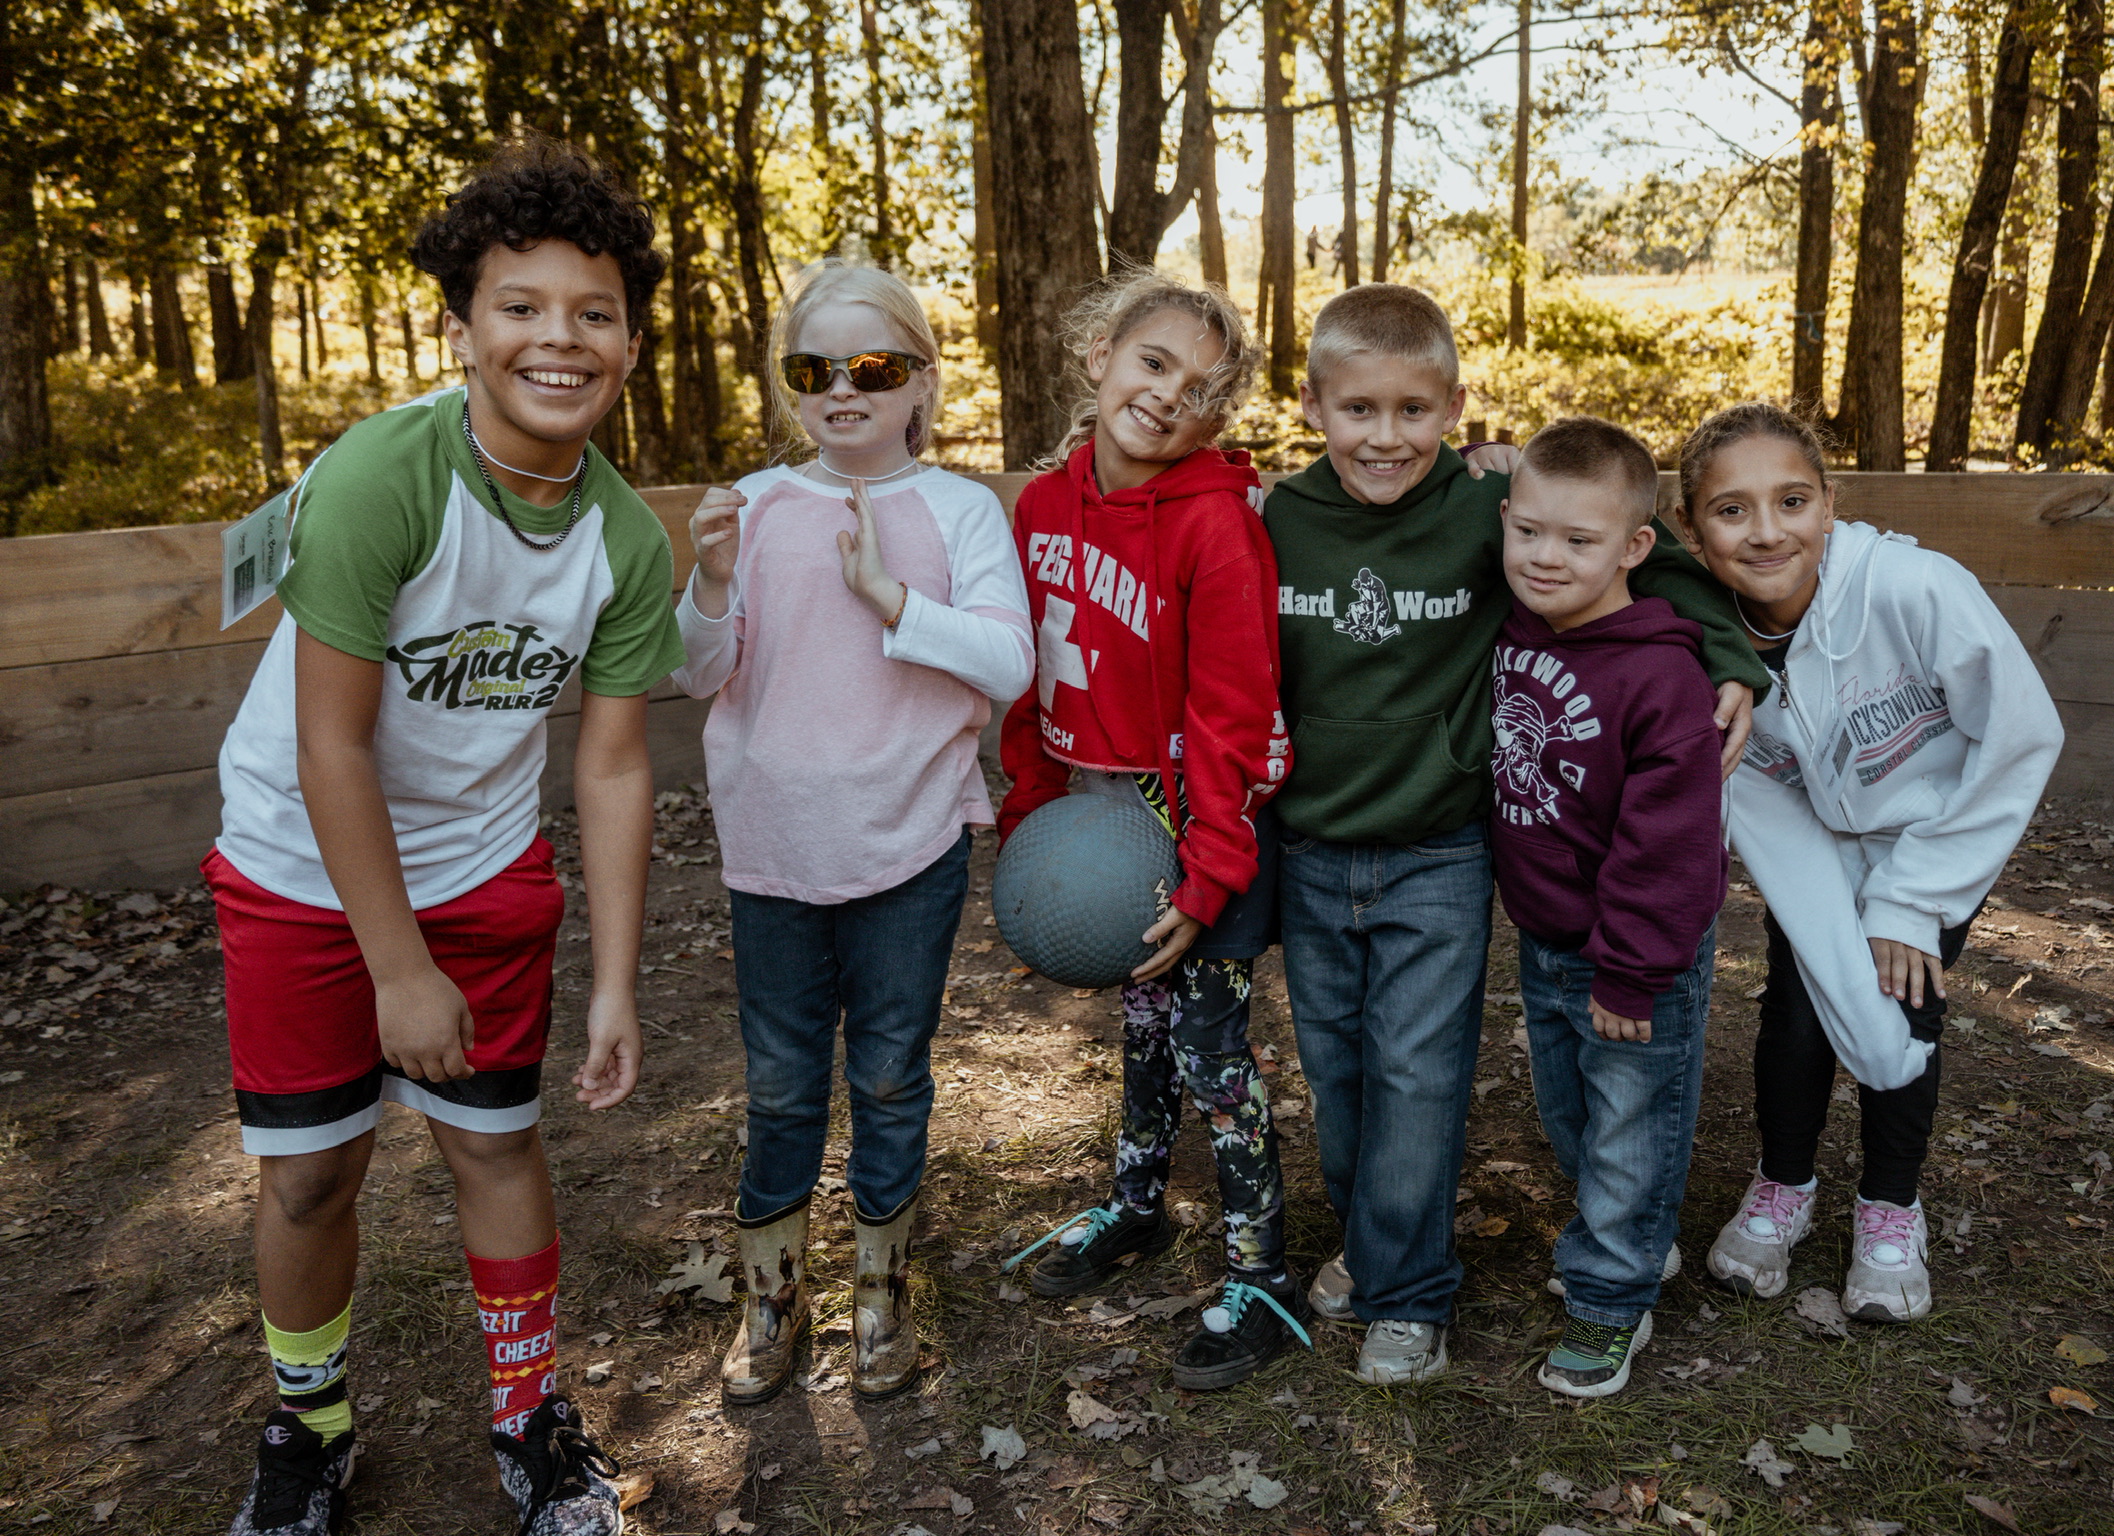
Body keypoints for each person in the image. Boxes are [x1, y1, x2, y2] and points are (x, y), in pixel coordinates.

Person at [208, 137, 683, 1536]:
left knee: (493, 1142)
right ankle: (311, 1429)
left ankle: (531, 1421)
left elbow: (608, 764)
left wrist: (613, 981)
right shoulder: (379, 479)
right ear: (464, 327)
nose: (558, 338)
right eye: (521, 306)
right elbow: (329, 742)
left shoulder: (624, 543)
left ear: (632, 345)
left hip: (481, 865)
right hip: (303, 862)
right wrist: (396, 967)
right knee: (309, 1173)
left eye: (592, 313)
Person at [1259, 284, 1767, 1385]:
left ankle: (1409, 1296)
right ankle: (1373, 1239)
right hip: (1311, 848)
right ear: (1311, 404)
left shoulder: (1484, 510)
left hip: (1440, 846)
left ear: (1451, 410)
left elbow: (1646, 559)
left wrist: (1730, 657)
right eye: (1358, 410)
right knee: (1335, 1069)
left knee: (1415, 1072)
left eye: (1411, 411)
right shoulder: (1281, 518)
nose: (1383, 437)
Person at [672, 261, 1033, 1405]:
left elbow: (1009, 665)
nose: (842, 392)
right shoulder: (757, 503)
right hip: (773, 849)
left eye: (871, 369)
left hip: (909, 844)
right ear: (789, 387)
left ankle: (883, 1289)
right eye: (811, 370)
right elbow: (699, 673)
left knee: (886, 1074)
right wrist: (713, 578)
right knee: (782, 1085)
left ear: (921, 378)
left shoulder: (964, 509)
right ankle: (771, 1296)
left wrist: (892, 600)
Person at [1677, 402, 2061, 1323]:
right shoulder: (1692, 627)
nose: (1767, 532)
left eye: (1793, 501)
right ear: (1692, 530)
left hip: (1931, 843)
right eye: (1731, 511)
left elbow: (2019, 734)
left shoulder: (1914, 589)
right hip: (1810, 842)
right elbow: (1591, 533)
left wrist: (1914, 897)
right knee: (1799, 1011)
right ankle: (1785, 1183)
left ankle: (1891, 1204)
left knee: (1902, 997)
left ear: (1831, 503)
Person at [996, 271, 1304, 1391]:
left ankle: (1260, 1269)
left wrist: (1213, 866)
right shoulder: (1039, 508)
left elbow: (1235, 709)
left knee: (1212, 1045)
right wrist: (1030, 811)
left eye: (1204, 389)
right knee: (1140, 1026)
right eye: (1155, 362)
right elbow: (1033, 679)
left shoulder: (1217, 525)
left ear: (1222, 420)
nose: (1171, 395)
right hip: (1095, 816)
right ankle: (1135, 1206)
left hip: (1198, 823)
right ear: (1098, 354)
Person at [1489, 417, 1727, 1398]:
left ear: (1636, 549)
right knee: (1573, 1115)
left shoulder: (1660, 676)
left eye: (1580, 542)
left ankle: (1609, 1299)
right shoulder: (1519, 627)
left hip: (1634, 951)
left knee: (1631, 1120)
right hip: (1546, 937)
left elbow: (1669, 845)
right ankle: (1633, 1233)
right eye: (1530, 533)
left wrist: (1631, 965)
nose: (1548, 558)